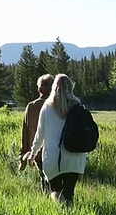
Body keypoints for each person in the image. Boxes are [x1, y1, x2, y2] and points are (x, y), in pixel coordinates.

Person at [28, 74, 86, 207]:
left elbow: (39, 134)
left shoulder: (47, 107)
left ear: (54, 88)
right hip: (75, 157)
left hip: (53, 158)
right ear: (71, 87)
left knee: (55, 190)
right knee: (69, 192)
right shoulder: (78, 106)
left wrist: (33, 153)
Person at [19, 74, 54, 193]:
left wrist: (24, 151)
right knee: (55, 180)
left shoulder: (31, 107)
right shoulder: (59, 105)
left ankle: (48, 201)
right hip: (57, 151)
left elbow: (25, 131)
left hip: (37, 152)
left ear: (39, 89)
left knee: (44, 178)